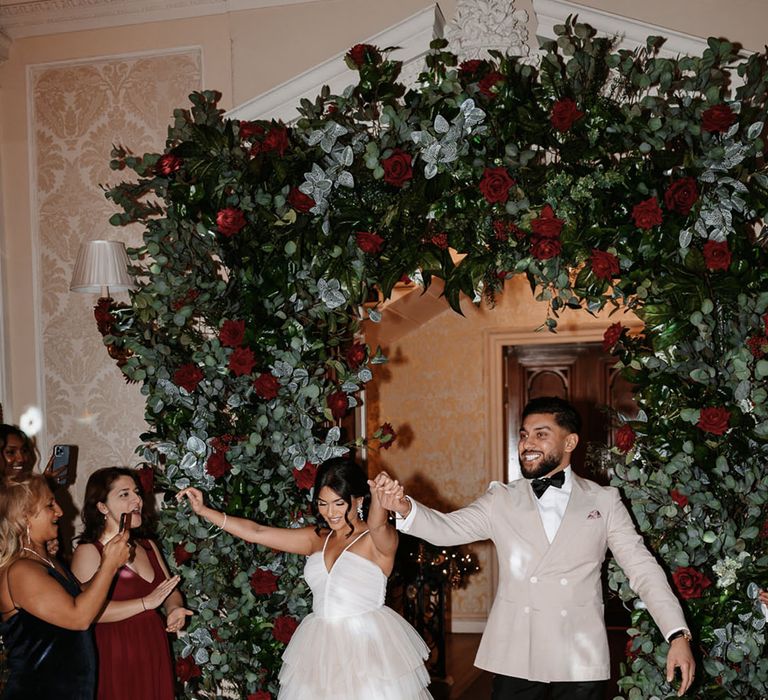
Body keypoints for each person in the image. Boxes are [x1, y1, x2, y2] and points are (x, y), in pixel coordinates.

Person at [371, 396, 696, 700]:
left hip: (579, 656)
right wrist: (403, 506)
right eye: (525, 435)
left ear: (570, 442)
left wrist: (676, 633)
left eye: (541, 435)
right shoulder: (501, 499)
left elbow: (641, 567)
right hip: (517, 654)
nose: (527, 444)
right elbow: (446, 529)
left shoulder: (604, 501)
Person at [177, 457, 433, 699]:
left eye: (339, 503)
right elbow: (257, 532)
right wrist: (204, 511)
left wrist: (380, 494)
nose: (330, 512)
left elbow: (378, 525)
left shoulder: (378, 541)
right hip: (319, 649)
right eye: (322, 503)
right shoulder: (316, 537)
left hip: (367, 649)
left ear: (358, 500)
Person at [0, 473, 130, 698]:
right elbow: (78, 618)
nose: (59, 511)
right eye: (50, 504)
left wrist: (110, 563)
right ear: (24, 516)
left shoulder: (44, 561)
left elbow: (78, 596)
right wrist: (108, 566)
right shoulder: (21, 570)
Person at [71, 467, 192, 700]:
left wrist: (174, 608)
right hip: (114, 650)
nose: (137, 499)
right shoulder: (89, 551)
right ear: (102, 506)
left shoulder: (148, 545)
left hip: (152, 644)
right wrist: (146, 603)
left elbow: (168, 592)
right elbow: (85, 611)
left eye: (136, 492)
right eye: (124, 494)